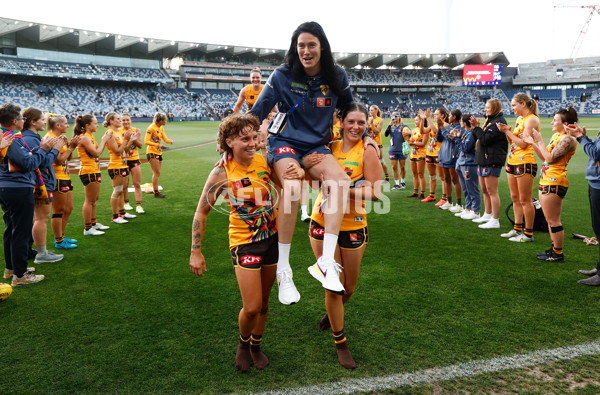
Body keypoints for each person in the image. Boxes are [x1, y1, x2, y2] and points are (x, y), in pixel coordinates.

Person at [249, 21, 354, 304]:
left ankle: (325, 262)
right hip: (284, 143)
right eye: (301, 46)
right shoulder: (282, 75)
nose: (306, 51)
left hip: (317, 147)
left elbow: (349, 109)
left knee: (341, 182)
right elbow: (256, 112)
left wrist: (365, 137)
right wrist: (229, 143)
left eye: (311, 45)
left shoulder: (337, 75)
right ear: (295, 49)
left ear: (322, 47)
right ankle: (284, 269)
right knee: (293, 188)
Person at [189, 113, 304, 372]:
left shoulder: (264, 162)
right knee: (251, 307)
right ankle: (243, 344)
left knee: (264, 304)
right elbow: (201, 212)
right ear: (229, 142)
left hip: (272, 240)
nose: (252, 143)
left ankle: (256, 344)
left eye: (254, 137)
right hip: (244, 242)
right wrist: (195, 251)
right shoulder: (221, 171)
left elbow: (289, 188)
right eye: (245, 139)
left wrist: (300, 170)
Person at [307, 103, 382, 370]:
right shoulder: (329, 147)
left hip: (354, 224)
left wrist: (342, 188)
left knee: (348, 288)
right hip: (321, 222)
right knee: (333, 285)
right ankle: (341, 341)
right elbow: (313, 180)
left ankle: (332, 313)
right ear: (341, 122)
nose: (356, 127)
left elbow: (375, 192)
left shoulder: (368, 151)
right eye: (351, 121)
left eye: (361, 123)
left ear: (367, 124)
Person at [0, 103, 63, 286]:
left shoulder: (10, 137)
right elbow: (29, 165)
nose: (23, 121)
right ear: (14, 121)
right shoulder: (10, 138)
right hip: (17, 188)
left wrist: (39, 149)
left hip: (8, 188)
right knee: (20, 231)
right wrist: (43, 149)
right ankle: (19, 276)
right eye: (21, 118)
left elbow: (26, 159)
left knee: (11, 229)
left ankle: (11, 268)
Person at [524, 107, 578, 262]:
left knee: (554, 220)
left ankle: (558, 253)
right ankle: (554, 249)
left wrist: (540, 140)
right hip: (546, 179)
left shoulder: (568, 140)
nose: (552, 122)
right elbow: (545, 158)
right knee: (549, 219)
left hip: (555, 181)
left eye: (555, 120)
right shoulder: (556, 136)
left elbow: (552, 159)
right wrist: (533, 143)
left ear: (565, 123)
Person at [21, 107, 64, 264]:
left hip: (38, 182)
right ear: (33, 122)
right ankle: (41, 254)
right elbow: (42, 162)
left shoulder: (30, 136)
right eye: (41, 120)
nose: (44, 122)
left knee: (37, 218)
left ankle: (36, 249)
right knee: (41, 218)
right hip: (41, 184)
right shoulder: (32, 139)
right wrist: (55, 150)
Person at [497, 93, 540, 243]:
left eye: (514, 105)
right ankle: (517, 229)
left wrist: (507, 131)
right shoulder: (519, 119)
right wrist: (507, 131)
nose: (512, 108)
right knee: (515, 198)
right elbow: (514, 142)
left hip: (525, 162)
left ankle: (528, 234)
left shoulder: (532, 119)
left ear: (523, 104)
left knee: (525, 200)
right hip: (513, 161)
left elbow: (523, 144)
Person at [567, 124, 600, 285]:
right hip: (595, 182)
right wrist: (585, 137)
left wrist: (580, 138)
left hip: (599, 184)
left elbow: (596, 153)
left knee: (599, 228)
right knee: (597, 227)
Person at [470, 99, 508, 229]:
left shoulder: (498, 122)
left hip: (492, 160)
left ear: (495, 108)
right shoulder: (491, 120)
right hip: (484, 159)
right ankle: (487, 214)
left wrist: (476, 127)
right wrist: (476, 128)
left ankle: (495, 219)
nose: (485, 109)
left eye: (488, 107)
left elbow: (485, 139)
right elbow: (481, 137)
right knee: (485, 190)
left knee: (492, 191)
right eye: (485, 107)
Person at [45, 113, 81, 249]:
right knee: (58, 210)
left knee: (68, 208)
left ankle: (62, 235)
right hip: (57, 178)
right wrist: (71, 147)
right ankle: (58, 240)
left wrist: (69, 145)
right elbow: (59, 161)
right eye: (65, 123)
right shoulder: (51, 139)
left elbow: (68, 158)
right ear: (57, 125)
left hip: (65, 177)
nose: (68, 125)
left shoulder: (58, 138)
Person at [74, 114, 112, 235]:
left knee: (94, 200)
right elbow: (96, 153)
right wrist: (104, 140)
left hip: (93, 169)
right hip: (88, 170)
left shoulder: (89, 136)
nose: (97, 125)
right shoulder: (84, 137)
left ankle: (93, 223)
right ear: (87, 125)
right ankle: (87, 228)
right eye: (95, 123)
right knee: (89, 201)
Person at [104, 113, 136, 224]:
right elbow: (117, 151)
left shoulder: (118, 133)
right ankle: (115, 216)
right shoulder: (110, 134)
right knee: (117, 191)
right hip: (116, 165)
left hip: (123, 164)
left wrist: (130, 140)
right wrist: (125, 139)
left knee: (122, 190)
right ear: (111, 121)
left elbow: (125, 150)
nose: (120, 121)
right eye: (118, 119)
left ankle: (122, 213)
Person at [454, 114, 481, 220]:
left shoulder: (471, 134)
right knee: (466, 189)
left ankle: (476, 211)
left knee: (472, 189)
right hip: (463, 164)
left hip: (469, 164)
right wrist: (459, 138)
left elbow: (465, 148)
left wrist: (457, 139)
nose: (460, 122)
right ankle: (468, 208)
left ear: (465, 123)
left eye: (461, 121)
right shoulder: (467, 133)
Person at [437, 109, 464, 212]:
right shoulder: (449, 126)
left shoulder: (458, 127)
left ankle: (459, 204)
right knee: (447, 179)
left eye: (450, 115)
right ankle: (449, 201)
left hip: (452, 156)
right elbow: (439, 139)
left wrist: (443, 128)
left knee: (454, 179)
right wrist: (440, 129)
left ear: (454, 117)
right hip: (444, 155)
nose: (448, 117)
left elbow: (450, 138)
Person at [421, 108, 447, 204]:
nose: (434, 116)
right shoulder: (434, 124)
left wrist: (428, 118)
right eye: (434, 114)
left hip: (439, 153)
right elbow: (423, 131)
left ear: (442, 116)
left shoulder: (445, 124)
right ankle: (431, 195)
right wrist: (422, 119)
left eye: (436, 114)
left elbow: (436, 131)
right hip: (430, 153)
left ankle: (444, 198)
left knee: (442, 177)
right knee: (432, 176)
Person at [120, 114, 145, 214]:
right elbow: (124, 150)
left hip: (134, 159)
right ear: (121, 122)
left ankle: (138, 205)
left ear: (131, 120)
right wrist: (130, 140)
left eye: (127, 120)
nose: (126, 122)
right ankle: (126, 203)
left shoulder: (136, 130)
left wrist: (135, 139)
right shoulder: (119, 132)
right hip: (124, 160)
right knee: (125, 185)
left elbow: (140, 146)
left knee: (137, 184)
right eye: (123, 120)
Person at [145, 112, 173, 198]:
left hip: (159, 152)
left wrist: (169, 141)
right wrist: (158, 145)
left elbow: (164, 138)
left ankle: (155, 189)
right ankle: (156, 193)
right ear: (160, 120)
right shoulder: (151, 128)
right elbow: (146, 141)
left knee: (157, 173)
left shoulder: (161, 128)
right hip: (152, 152)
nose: (166, 121)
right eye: (165, 120)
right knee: (156, 173)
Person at [405, 114, 428, 199]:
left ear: (422, 121)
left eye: (417, 120)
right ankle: (415, 192)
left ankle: (422, 194)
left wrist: (413, 143)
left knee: (420, 174)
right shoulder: (414, 130)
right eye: (415, 120)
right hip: (413, 153)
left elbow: (423, 144)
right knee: (414, 174)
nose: (415, 122)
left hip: (420, 154)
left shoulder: (425, 130)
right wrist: (409, 141)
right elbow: (411, 140)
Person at [385, 113, 409, 190]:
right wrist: (389, 125)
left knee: (402, 167)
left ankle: (402, 182)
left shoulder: (404, 126)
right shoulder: (391, 126)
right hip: (392, 150)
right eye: (393, 116)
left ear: (399, 117)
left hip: (402, 149)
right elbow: (386, 134)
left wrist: (408, 133)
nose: (395, 118)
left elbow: (410, 133)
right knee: (394, 167)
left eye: (396, 116)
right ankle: (397, 184)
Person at [368, 105, 389, 182]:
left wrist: (372, 124)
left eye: (372, 110)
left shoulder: (380, 120)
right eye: (370, 110)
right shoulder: (368, 119)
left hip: (377, 142)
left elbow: (377, 131)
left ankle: (386, 176)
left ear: (376, 111)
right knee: (370, 161)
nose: (370, 112)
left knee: (381, 161)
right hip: (370, 142)